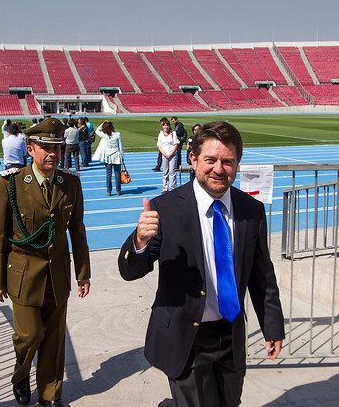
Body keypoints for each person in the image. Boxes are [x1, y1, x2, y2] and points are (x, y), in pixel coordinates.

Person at [118, 120, 285, 407]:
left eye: (227, 161)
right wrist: (140, 241)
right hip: (186, 337)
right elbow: (130, 271)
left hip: (230, 335)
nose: (219, 169)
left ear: (237, 163)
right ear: (194, 159)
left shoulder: (252, 211)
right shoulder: (165, 209)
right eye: (211, 160)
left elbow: (262, 276)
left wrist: (272, 326)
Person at [0, 117, 91, 407]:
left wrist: (83, 273)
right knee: (29, 336)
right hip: (23, 275)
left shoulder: (69, 184)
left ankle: (50, 395)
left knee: (55, 342)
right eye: (45, 147)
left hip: (57, 275)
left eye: (56, 148)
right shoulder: (11, 184)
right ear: (30, 149)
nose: (52, 153)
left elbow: (77, 231)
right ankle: (21, 375)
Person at [92, 120, 124, 196]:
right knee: (117, 174)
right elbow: (120, 147)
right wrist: (122, 157)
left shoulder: (104, 135)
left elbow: (97, 130)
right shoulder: (117, 134)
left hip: (108, 157)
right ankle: (118, 190)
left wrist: (102, 123)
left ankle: (109, 191)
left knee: (108, 174)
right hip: (116, 156)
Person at [157, 118, 179, 193]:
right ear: (162, 126)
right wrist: (165, 154)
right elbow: (159, 146)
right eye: (164, 125)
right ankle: (165, 187)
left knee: (172, 172)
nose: (166, 127)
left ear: (169, 126)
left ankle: (172, 188)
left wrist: (171, 153)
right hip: (165, 154)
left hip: (172, 154)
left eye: (167, 125)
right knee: (165, 172)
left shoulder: (173, 133)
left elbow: (176, 144)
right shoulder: (160, 134)